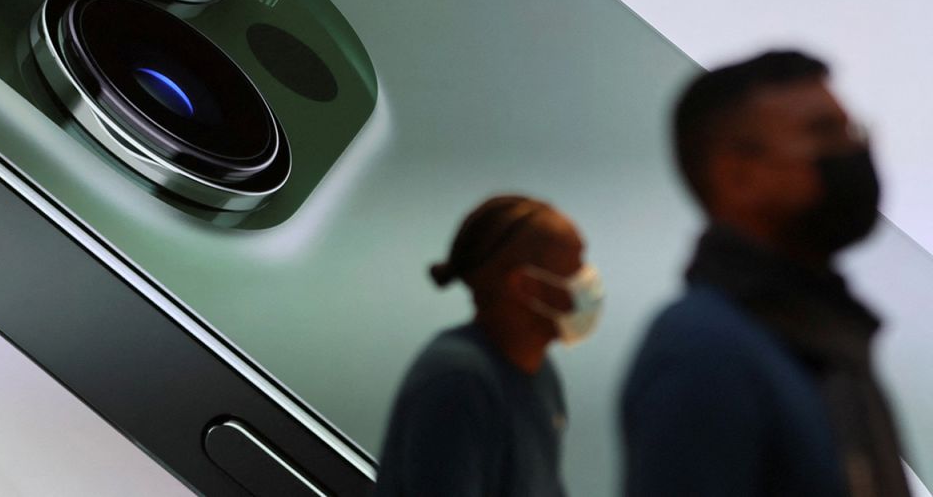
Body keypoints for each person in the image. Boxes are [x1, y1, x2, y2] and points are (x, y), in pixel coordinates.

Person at [621, 50, 911, 497]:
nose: (852, 152)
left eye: (850, 130)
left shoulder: (824, 340)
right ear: (737, 175)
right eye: (823, 134)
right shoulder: (704, 351)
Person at [375, 195, 603, 497]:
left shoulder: (539, 373)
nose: (588, 280)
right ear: (525, 286)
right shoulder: (457, 385)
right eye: (575, 268)